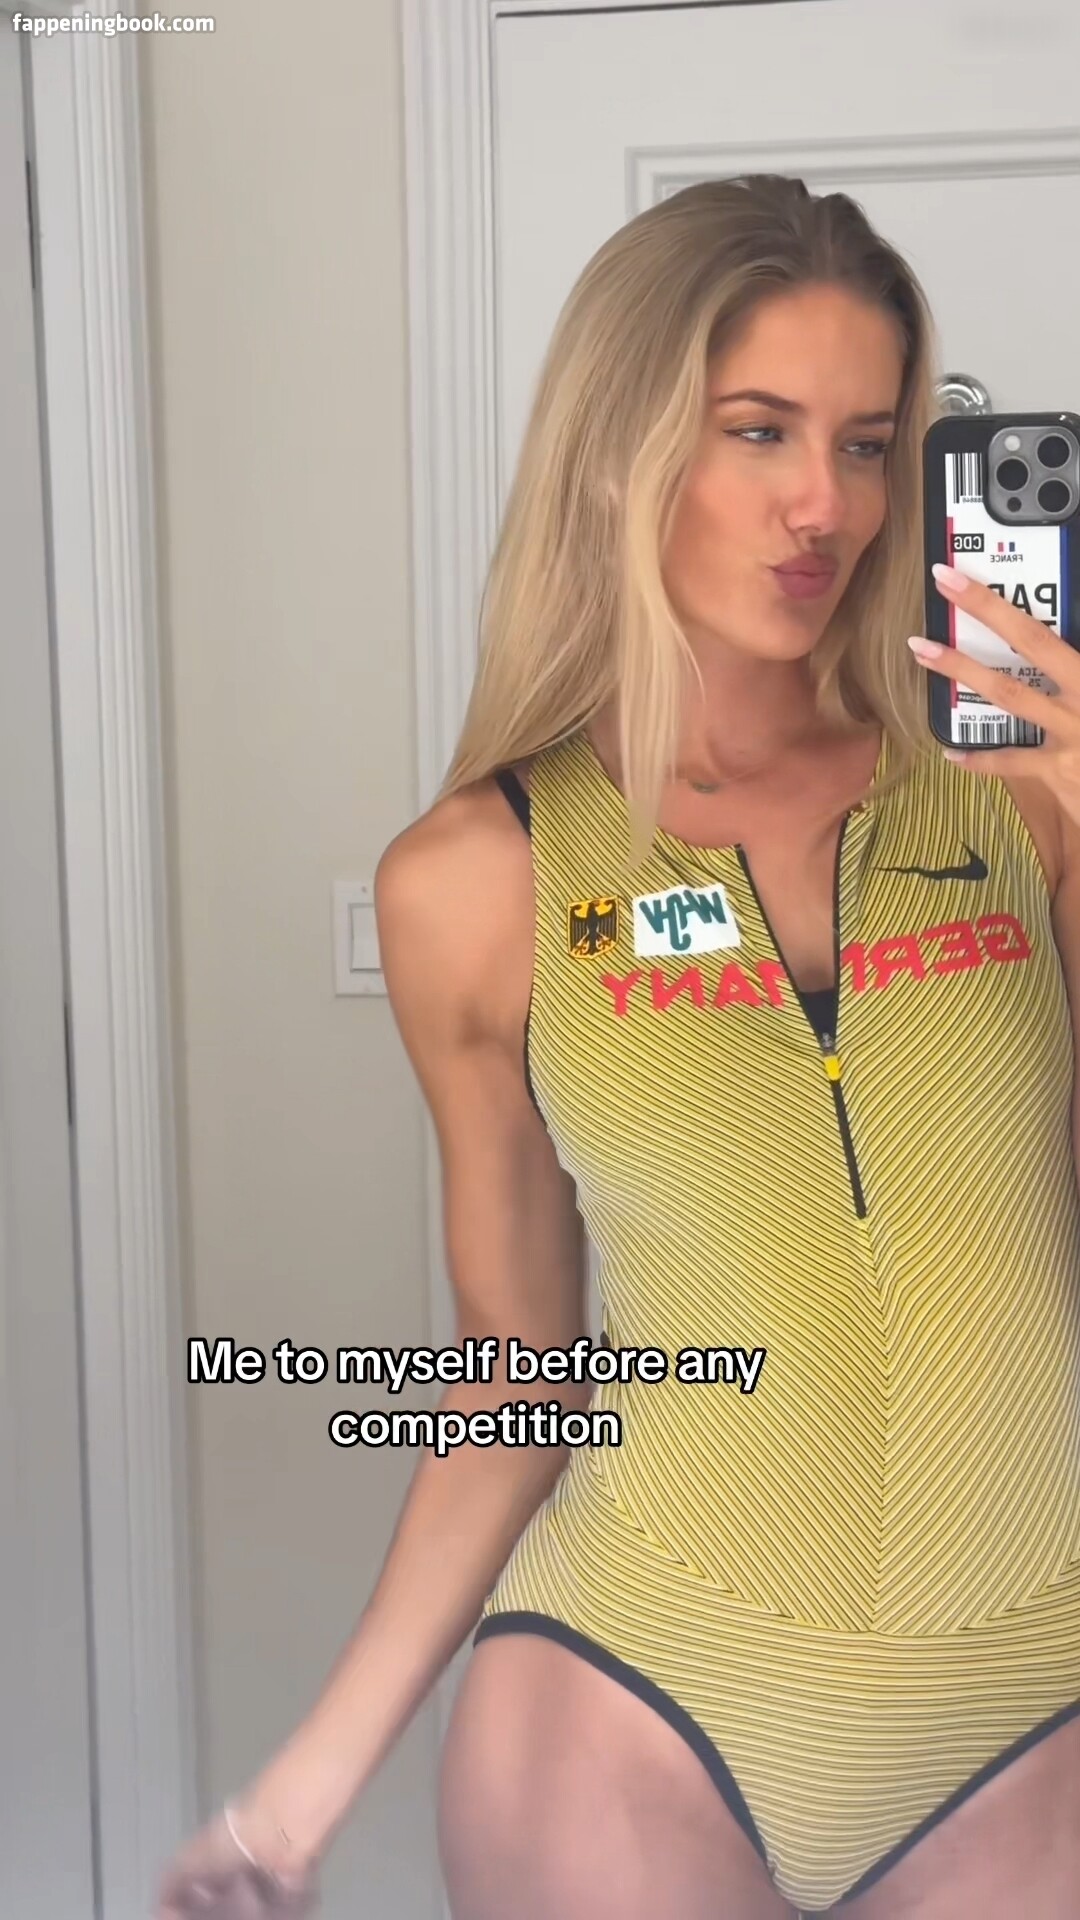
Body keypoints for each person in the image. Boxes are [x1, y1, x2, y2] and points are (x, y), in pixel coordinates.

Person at [154, 176, 1080, 1920]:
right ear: (617, 451)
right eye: (759, 431)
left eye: (867, 445)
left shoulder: (1024, 803)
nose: (824, 506)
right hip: (637, 1708)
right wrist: (293, 1804)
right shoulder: (478, 879)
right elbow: (518, 1368)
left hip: (1027, 1715)